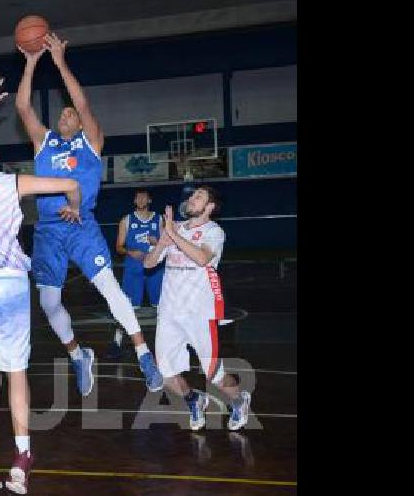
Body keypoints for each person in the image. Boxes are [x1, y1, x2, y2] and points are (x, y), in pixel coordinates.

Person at [0, 73, 82, 495]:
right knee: (16, 372)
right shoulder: (12, 183)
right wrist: (74, 208)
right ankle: (22, 455)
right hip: (9, 286)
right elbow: (70, 184)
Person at [15, 32, 162, 396]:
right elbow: (22, 107)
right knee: (48, 302)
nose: (66, 113)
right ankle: (79, 354)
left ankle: (144, 353)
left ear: (81, 123)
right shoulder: (44, 142)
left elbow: (81, 102)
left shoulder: (92, 141)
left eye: (71, 113)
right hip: (48, 230)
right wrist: (32, 63)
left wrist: (61, 63)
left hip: (82, 225)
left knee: (110, 289)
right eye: (62, 112)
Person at [143, 186, 251, 431]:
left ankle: (238, 400)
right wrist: (162, 241)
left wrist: (173, 234)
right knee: (165, 372)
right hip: (169, 313)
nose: (192, 199)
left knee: (214, 374)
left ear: (210, 207)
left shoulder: (214, 232)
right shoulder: (175, 229)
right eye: (192, 196)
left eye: (199, 197)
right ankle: (194, 400)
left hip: (200, 314)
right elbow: (149, 263)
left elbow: (202, 258)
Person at [108, 189, 165, 357]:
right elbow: (118, 246)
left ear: (149, 200)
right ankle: (116, 342)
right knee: (127, 308)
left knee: (162, 307)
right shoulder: (126, 220)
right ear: (134, 201)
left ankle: (168, 343)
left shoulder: (159, 219)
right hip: (133, 268)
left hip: (155, 268)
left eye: (144, 197)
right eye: (138, 197)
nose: (140, 199)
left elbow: (167, 244)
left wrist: (158, 242)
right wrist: (130, 252)